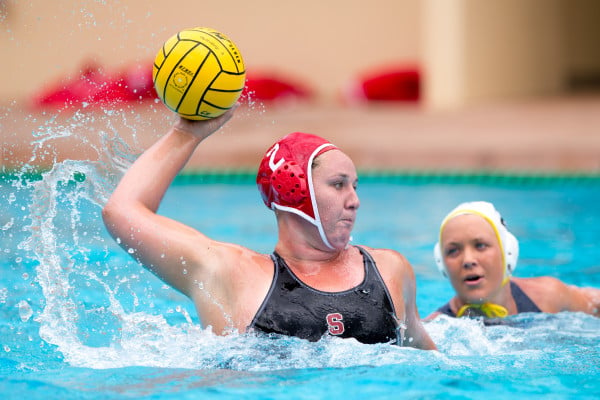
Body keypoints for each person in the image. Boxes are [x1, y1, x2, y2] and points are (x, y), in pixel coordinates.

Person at [102, 108, 436, 349]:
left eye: (355, 186)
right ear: (296, 190)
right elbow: (122, 211)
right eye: (338, 185)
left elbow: (432, 368)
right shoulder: (230, 274)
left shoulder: (390, 270)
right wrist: (187, 133)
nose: (354, 201)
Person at [426, 201, 600, 320]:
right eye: (453, 251)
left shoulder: (547, 296)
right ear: (441, 263)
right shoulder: (434, 331)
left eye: (480, 246)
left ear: (507, 252)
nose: (468, 260)